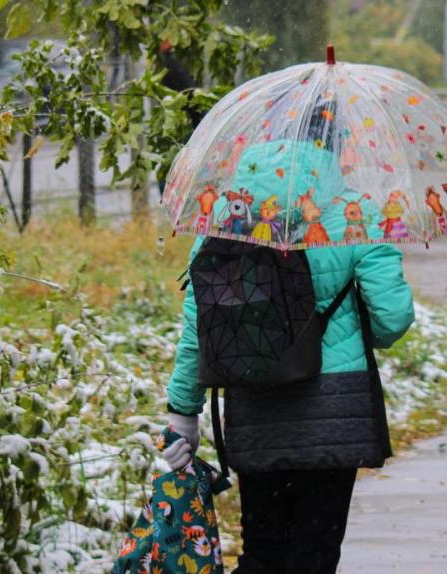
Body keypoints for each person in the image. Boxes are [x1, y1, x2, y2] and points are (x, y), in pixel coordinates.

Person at [162, 138, 415, 573]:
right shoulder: (356, 211)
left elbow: (198, 329)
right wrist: (349, 332)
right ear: (334, 149)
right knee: (313, 555)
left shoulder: (225, 215)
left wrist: (183, 411)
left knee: (263, 551)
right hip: (334, 410)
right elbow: (392, 317)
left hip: (253, 402)